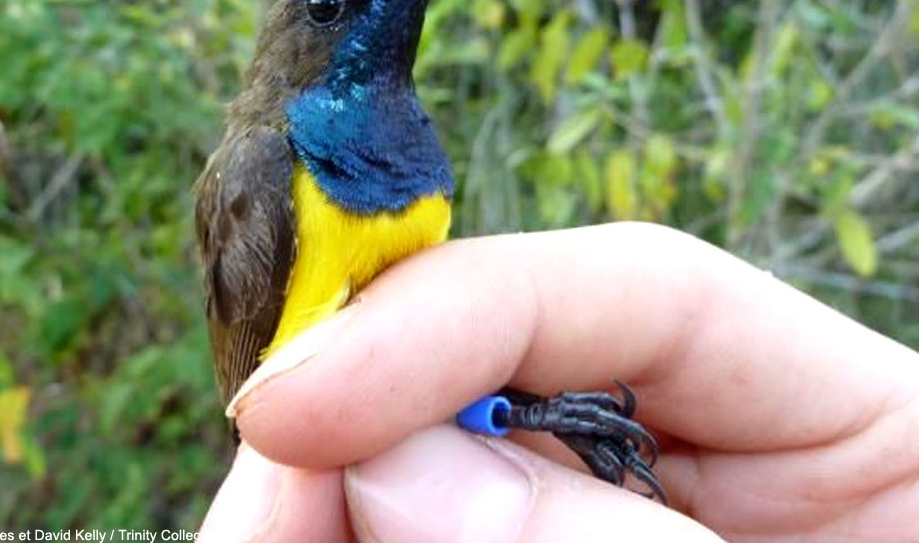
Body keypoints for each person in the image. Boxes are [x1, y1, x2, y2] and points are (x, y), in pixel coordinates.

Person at [198, 222, 919, 542]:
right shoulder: (269, 162)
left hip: (362, 403)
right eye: (328, 6)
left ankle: (519, 417)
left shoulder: (404, 147)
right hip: (313, 421)